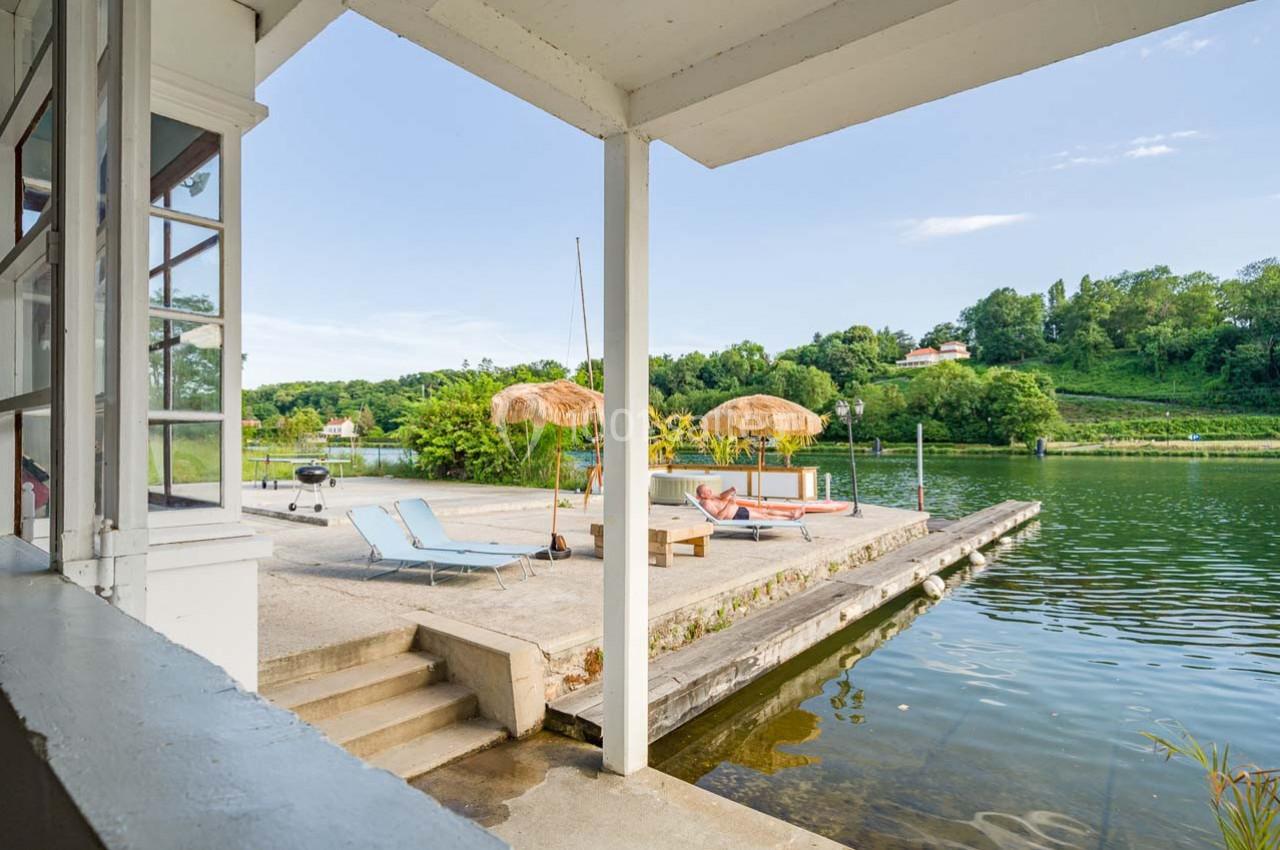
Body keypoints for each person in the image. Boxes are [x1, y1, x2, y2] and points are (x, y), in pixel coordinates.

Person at [694, 484, 804, 521]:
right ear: (702, 495)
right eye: (707, 491)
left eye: (710, 489)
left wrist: (730, 490)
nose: (711, 491)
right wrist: (729, 504)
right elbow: (718, 518)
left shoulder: (711, 497)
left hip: (738, 510)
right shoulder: (706, 504)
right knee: (765, 517)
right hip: (737, 515)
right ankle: (790, 518)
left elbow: (721, 496)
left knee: (765, 510)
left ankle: (791, 513)